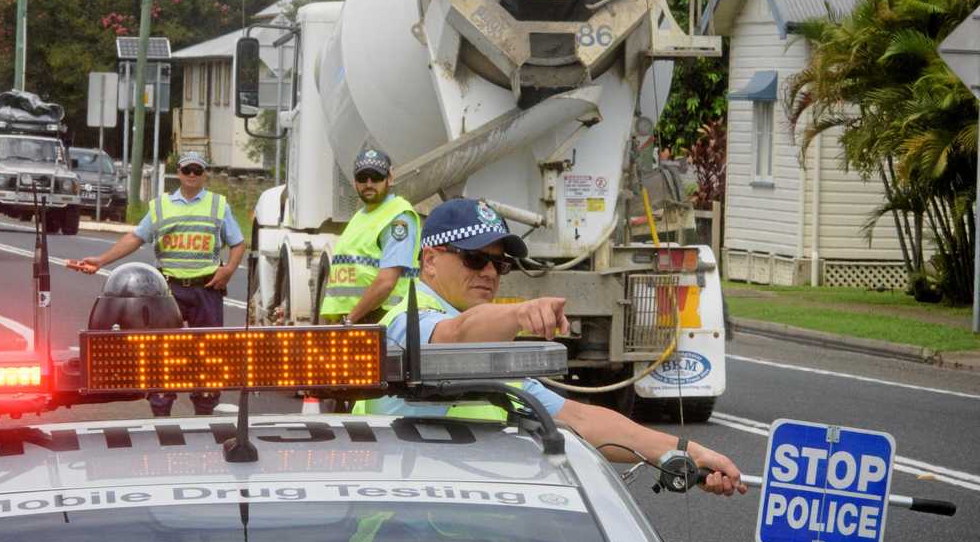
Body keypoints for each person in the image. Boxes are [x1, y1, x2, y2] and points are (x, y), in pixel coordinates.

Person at [368, 197, 747, 497]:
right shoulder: (408, 323)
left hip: (474, 537)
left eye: (499, 265)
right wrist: (520, 314)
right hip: (398, 536)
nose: (488, 272)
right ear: (430, 261)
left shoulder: (482, 348)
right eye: (474, 258)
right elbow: (453, 336)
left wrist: (686, 452)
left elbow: (580, 419)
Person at [68, 151, 245, 416]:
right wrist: (102, 261)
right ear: (180, 174)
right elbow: (135, 238)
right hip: (168, 290)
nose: (193, 176)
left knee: (208, 352)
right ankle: (161, 409)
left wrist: (228, 270)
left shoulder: (219, 205)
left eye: (198, 170)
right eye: (188, 170)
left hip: (206, 288)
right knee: (163, 351)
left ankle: (205, 410)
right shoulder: (161, 206)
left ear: (205, 173)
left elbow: (238, 243)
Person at [318, 148, 420, 325]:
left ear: (390, 178)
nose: (369, 183)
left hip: (380, 319)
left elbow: (387, 281)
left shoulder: (399, 216)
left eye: (376, 176)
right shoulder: (361, 216)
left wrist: (349, 320)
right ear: (355, 181)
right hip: (355, 320)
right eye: (362, 177)